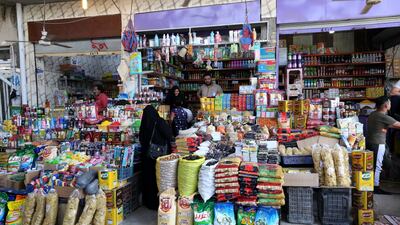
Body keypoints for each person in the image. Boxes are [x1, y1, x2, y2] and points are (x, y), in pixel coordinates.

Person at [139, 105, 172, 209]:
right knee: (159, 179)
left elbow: (141, 139)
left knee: (148, 179)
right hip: (159, 156)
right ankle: (159, 203)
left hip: (147, 156)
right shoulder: (159, 121)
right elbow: (169, 135)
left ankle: (148, 202)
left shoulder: (144, 124)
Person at [367, 95, 400, 194]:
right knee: (377, 166)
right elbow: (397, 125)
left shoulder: (373, 114)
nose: (390, 104)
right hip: (378, 143)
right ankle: (375, 187)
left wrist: (385, 129)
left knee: (379, 164)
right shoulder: (382, 116)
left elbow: (386, 126)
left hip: (372, 142)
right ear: (386, 105)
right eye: (389, 103)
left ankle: (375, 184)